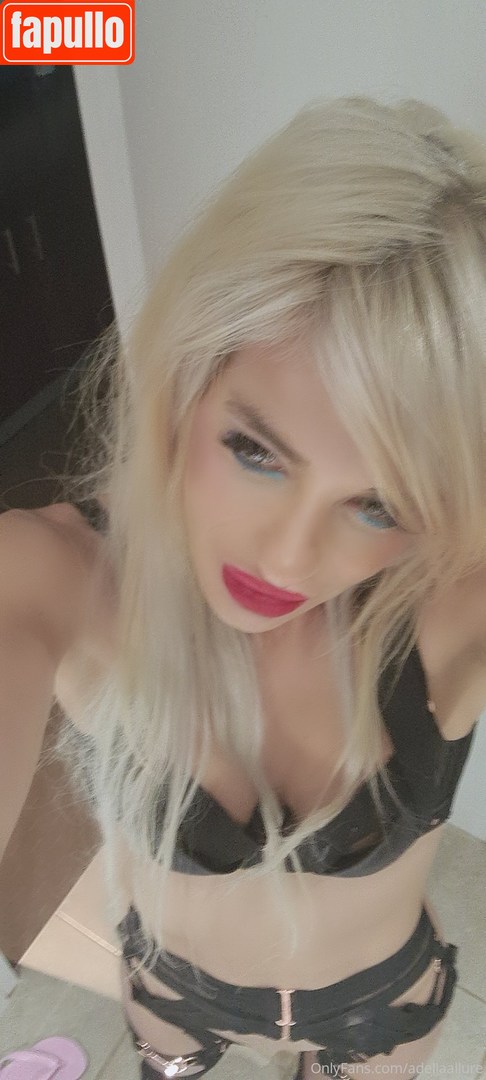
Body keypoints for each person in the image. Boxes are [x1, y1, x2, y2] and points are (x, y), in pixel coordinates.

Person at [1, 95, 485, 1080]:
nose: (290, 563)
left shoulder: (449, 607)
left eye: (380, 505)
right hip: (172, 1002)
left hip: (379, 1011)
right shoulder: (53, 577)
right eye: (256, 451)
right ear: (188, 375)